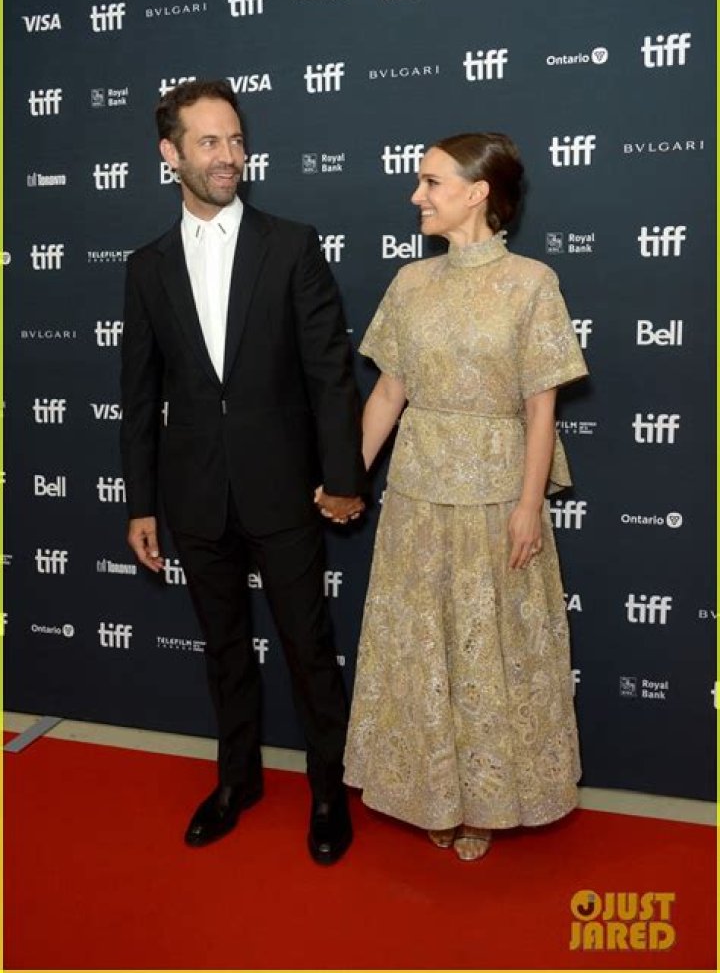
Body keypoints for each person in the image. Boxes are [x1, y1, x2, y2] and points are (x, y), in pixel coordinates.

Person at [120, 79, 365, 864]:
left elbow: (331, 374)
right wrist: (141, 503)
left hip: (285, 488)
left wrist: (343, 476)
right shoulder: (146, 265)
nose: (230, 156)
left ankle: (328, 791)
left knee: (306, 646)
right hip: (194, 491)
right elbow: (138, 396)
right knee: (222, 647)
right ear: (171, 155)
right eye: (210, 143)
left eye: (236, 140)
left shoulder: (291, 242)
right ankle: (238, 781)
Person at [343, 132, 588, 861]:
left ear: (479, 193)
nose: (417, 195)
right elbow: (390, 391)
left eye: (431, 183)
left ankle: (486, 798)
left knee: (489, 655)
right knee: (423, 651)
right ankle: (431, 792)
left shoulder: (531, 282)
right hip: (417, 495)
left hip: (493, 493)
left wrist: (528, 503)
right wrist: (347, 478)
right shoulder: (409, 283)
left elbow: (540, 407)